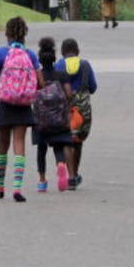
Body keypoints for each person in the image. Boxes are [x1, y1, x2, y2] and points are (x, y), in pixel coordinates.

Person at [0, 16, 37, 202]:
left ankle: (0, 186)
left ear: (6, 33)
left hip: (4, 103)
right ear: (24, 33)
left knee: (2, 145)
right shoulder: (30, 55)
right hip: (23, 105)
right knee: (19, 144)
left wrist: (2, 85)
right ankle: (17, 189)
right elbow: (40, 82)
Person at [31, 37, 76, 193]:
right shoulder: (61, 74)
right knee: (58, 145)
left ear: (40, 59)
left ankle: (42, 181)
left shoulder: (38, 75)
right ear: (54, 57)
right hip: (59, 118)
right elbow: (69, 94)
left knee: (41, 149)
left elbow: (31, 93)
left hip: (40, 120)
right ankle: (61, 164)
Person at [60, 37, 98, 189]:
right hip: (82, 110)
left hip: (64, 107)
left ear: (62, 53)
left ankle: (69, 176)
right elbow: (93, 87)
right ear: (78, 52)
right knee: (78, 141)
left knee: (66, 141)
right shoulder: (85, 65)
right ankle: (74, 174)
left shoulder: (59, 64)